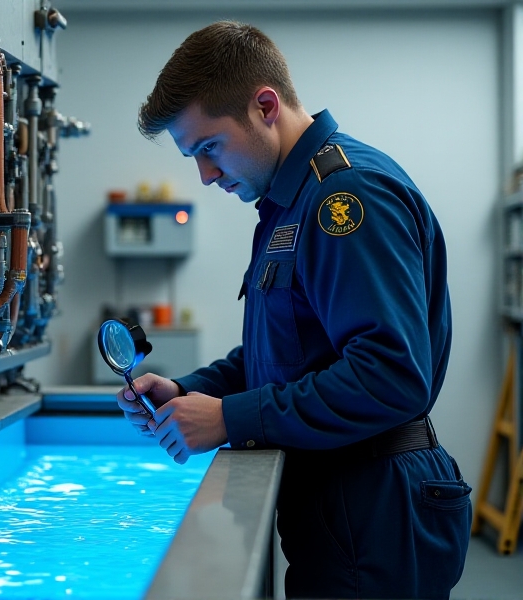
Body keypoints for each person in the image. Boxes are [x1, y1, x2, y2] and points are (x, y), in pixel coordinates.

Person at [116, 20, 472, 599]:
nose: (205, 176)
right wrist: (191, 391)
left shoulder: (344, 199)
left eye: (209, 147)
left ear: (265, 105)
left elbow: (392, 375)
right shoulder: (292, 202)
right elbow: (292, 348)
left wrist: (231, 418)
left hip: (373, 509)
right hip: (340, 504)